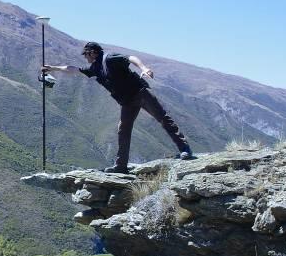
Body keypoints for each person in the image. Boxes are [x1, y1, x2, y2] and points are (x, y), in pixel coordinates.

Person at [42, 42, 193, 173]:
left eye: (86, 54)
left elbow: (130, 58)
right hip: (127, 101)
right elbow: (73, 69)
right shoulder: (94, 68)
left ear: (93, 52)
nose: (85, 57)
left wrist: (144, 68)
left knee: (163, 118)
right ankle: (121, 166)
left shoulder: (110, 58)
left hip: (140, 93)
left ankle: (184, 149)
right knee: (123, 130)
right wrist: (53, 68)